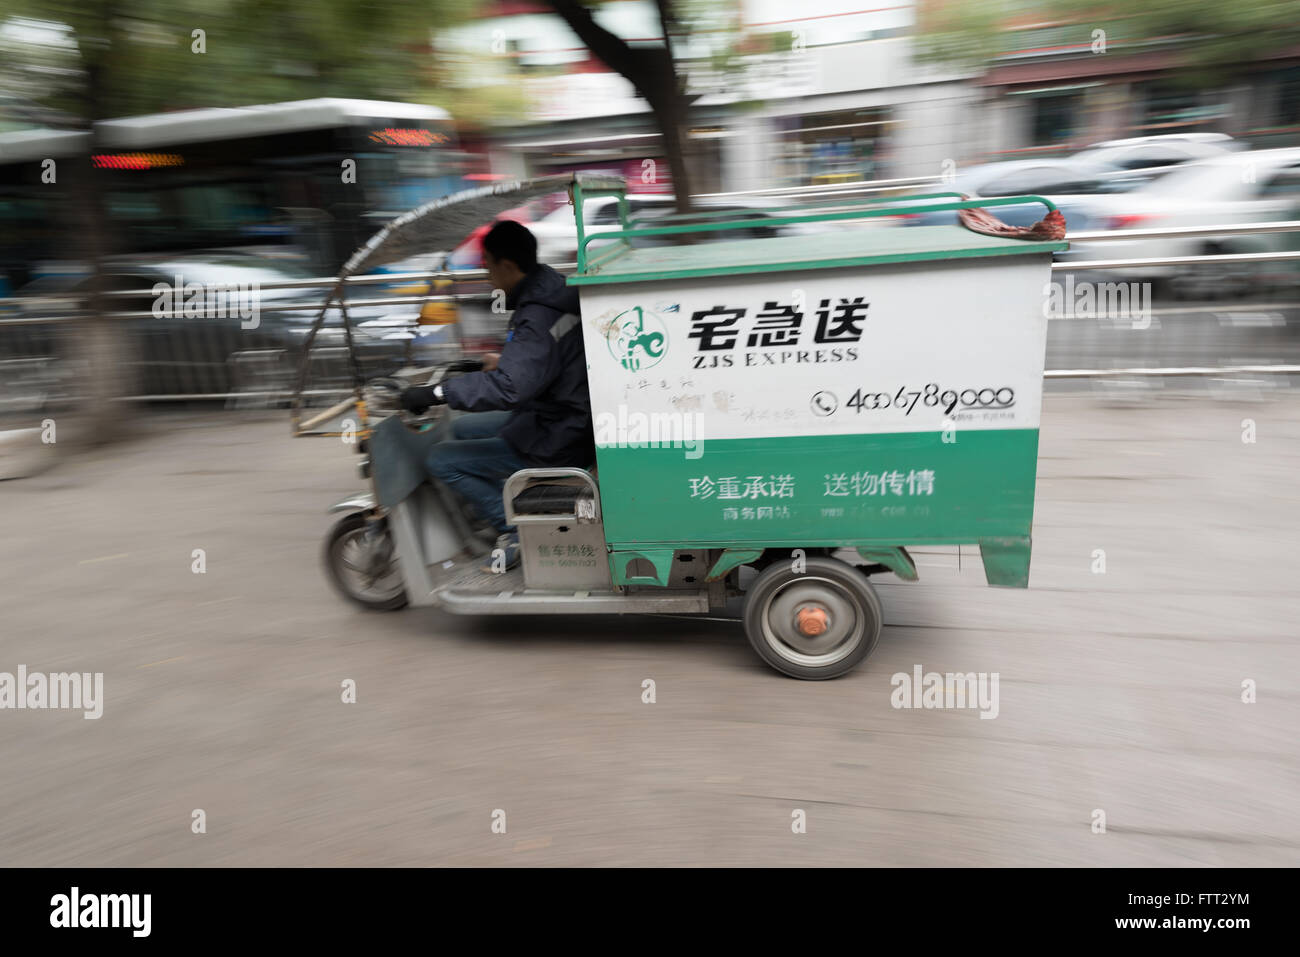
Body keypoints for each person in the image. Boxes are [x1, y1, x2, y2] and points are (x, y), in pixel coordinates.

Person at [401, 220, 593, 571]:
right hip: (563, 416)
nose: (486, 274)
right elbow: (547, 359)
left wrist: (437, 392)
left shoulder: (536, 315)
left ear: (507, 265)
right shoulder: (551, 290)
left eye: (487, 264)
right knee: (462, 429)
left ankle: (514, 529)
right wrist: (506, 360)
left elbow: (510, 388)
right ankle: (496, 506)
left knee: (442, 459)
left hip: (558, 436)